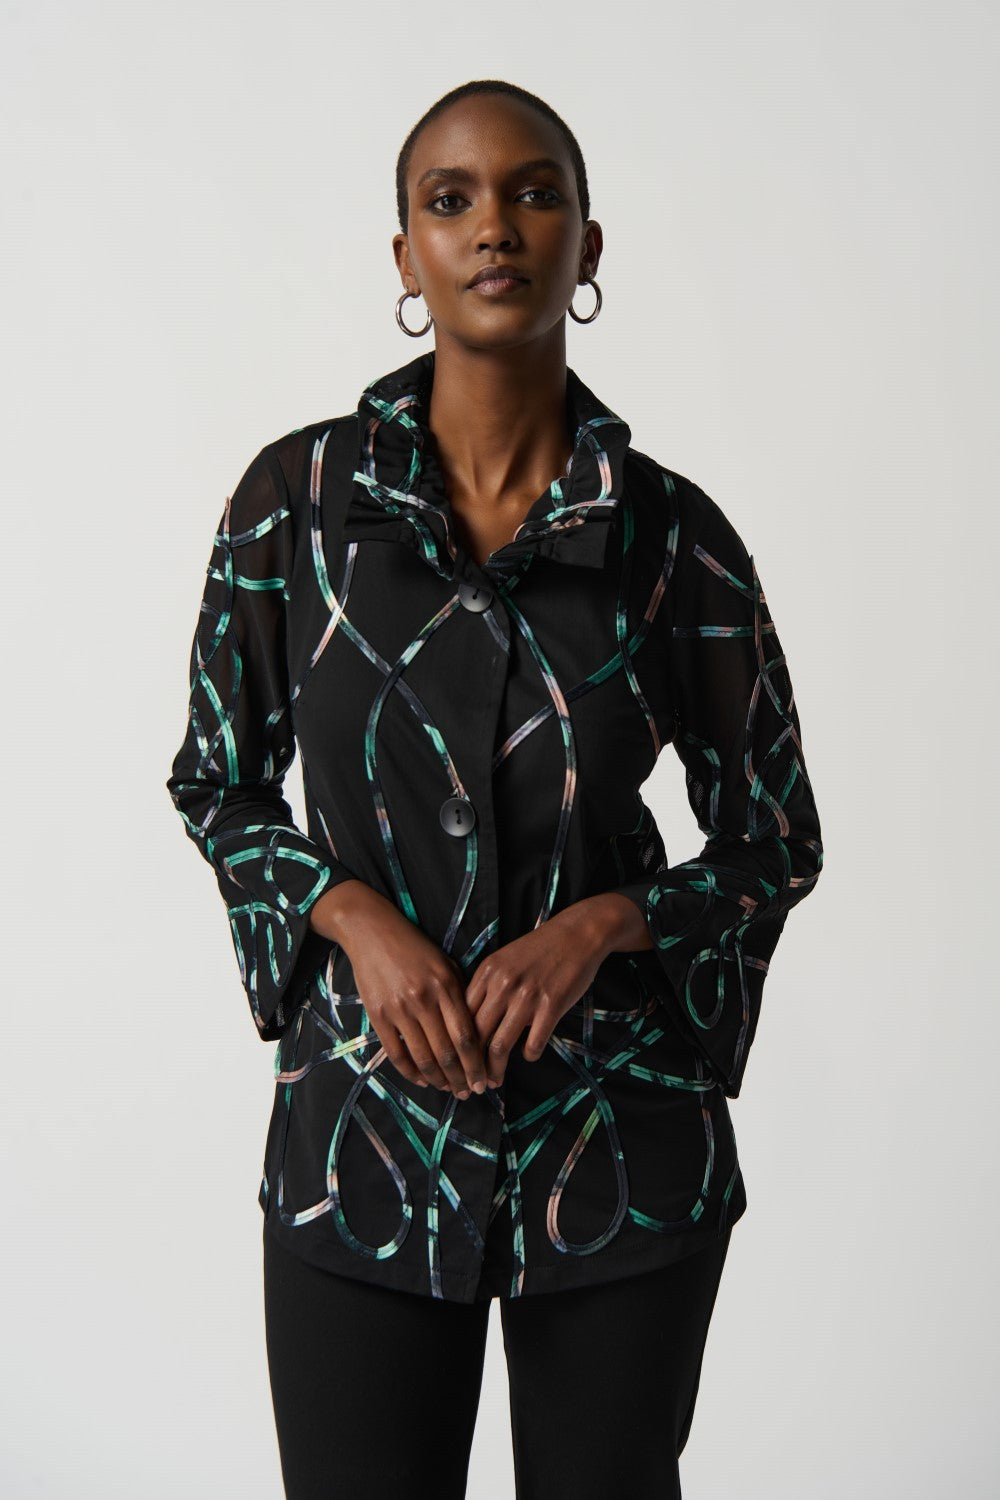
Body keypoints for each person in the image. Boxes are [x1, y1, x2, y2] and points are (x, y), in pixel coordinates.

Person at [166, 78, 823, 1500]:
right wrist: (352, 919)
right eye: (450, 199)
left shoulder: (673, 540)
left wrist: (601, 928)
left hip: (619, 1142)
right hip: (362, 1137)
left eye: (535, 194)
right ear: (404, 256)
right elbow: (217, 783)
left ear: (589, 245)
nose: (495, 228)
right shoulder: (296, 507)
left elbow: (775, 839)